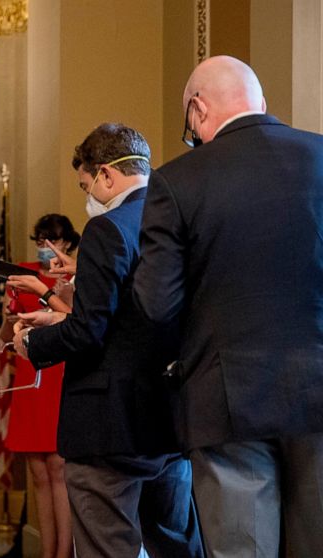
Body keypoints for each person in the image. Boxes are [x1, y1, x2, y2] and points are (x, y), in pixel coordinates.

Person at [134, 55, 323, 556]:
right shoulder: (321, 156)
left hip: (226, 400)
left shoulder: (178, 181)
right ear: (260, 101)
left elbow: (156, 305)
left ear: (197, 110)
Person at [13, 123, 203, 558]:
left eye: (87, 185)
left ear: (106, 174)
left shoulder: (107, 227)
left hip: (110, 424)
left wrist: (33, 345)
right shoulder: (182, 219)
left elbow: (88, 331)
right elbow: (146, 312)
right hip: (172, 416)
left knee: (106, 546)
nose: (89, 196)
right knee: (173, 543)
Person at [2, 214, 79, 558]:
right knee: (37, 470)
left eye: (52, 240)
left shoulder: (76, 274)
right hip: (29, 373)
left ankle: (64, 552)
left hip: (60, 373)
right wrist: (9, 320)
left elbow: (79, 324)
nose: (44, 247)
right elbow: (6, 338)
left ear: (67, 243)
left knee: (59, 467)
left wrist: (51, 293)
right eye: (39, 240)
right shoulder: (23, 274)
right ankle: (47, 552)